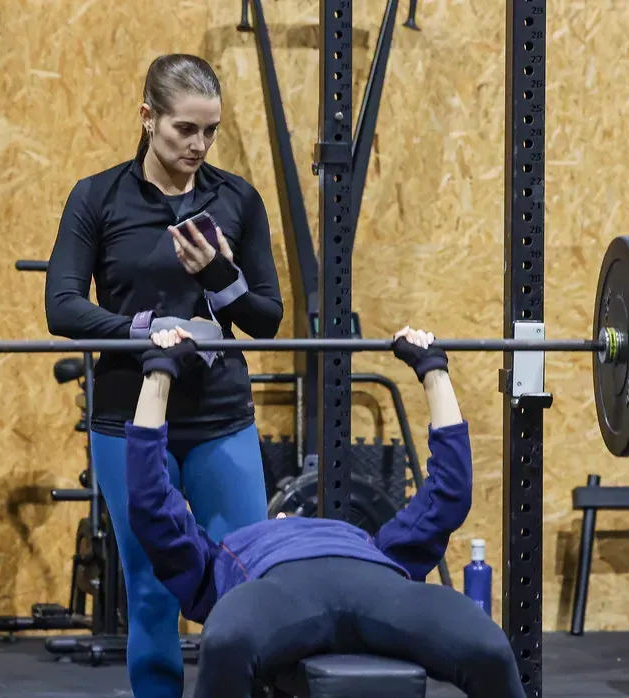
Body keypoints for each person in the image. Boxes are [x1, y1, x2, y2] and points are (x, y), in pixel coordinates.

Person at [43, 53, 283, 697]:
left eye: (210, 131)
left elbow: (266, 319)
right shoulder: (98, 197)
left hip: (219, 418)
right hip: (130, 422)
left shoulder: (236, 199)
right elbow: (61, 306)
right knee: (150, 588)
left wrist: (219, 278)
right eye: (185, 129)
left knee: (242, 582)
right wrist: (145, 331)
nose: (199, 145)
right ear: (147, 118)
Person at [125, 325, 525, 698]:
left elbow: (449, 492)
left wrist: (434, 370)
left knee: (489, 648)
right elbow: (151, 502)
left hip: (381, 591)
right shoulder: (219, 563)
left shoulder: (379, 548)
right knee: (226, 643)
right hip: (275, 593)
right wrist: (158, 373)